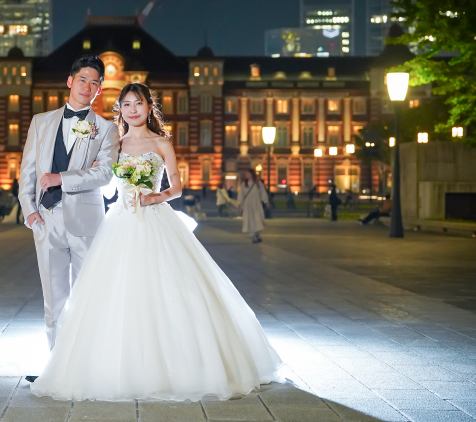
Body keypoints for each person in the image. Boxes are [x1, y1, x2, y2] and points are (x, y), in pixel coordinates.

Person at [30, 82, 282, 401]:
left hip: (156, 218)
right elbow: (104, 188)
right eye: (126, 104)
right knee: (117, 292)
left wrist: (155, 196)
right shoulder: (113, 145)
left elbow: (176, 187)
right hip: (120, 221)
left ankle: (184, 363)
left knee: (174, 287)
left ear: (150, 108)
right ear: (118, 109)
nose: (132, 109)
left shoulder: (162, 143)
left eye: (139, 103)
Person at [18, 54, 120, 357]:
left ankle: (88, 361)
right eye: (82, 80)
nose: (87, 86)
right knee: (54, 296)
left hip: (86, 221)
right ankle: (56, 365)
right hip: (46, 219)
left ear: (99, 90)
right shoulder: (41, 122)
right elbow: (28, 172)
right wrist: (30, 212)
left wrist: (61, 178)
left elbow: (104, 174)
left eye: (94, 82)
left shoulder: (106, 129)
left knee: (89, 295)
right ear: (70, 82)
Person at [237, 168, 269, 243]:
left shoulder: (258, 183)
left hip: (256, 203)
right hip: (248, 205)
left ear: (251, 174)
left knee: (258, 219)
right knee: (250, 220)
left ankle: (257, 234)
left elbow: (262, 193)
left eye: (248, 173)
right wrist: (239, 204)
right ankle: (254, 236)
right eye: (246, 174)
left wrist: (266, 201)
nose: (246, 175)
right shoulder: (244, 184)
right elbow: (241, 195)